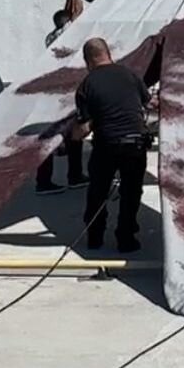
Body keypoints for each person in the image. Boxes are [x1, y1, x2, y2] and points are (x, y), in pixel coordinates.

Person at [72, 37, 155, 252]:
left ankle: (95, 237)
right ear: (109, 54)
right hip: (135, 144)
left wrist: (70, 135)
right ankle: (126, 240)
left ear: (87, 60)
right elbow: (149, 103)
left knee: (98, 192)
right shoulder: (130, 75)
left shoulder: (86, 85)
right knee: (131, 193)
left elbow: (83, 129)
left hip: (106, 145)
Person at [36, 0, 87, 194]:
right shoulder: (66, 35)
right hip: (65, 93)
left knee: (57, 137)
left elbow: (69, 14)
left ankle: (61, 178)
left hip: (51, 92)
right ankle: (69, 177)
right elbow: (77, 14)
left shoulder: (51, 37)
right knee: (69, 136)